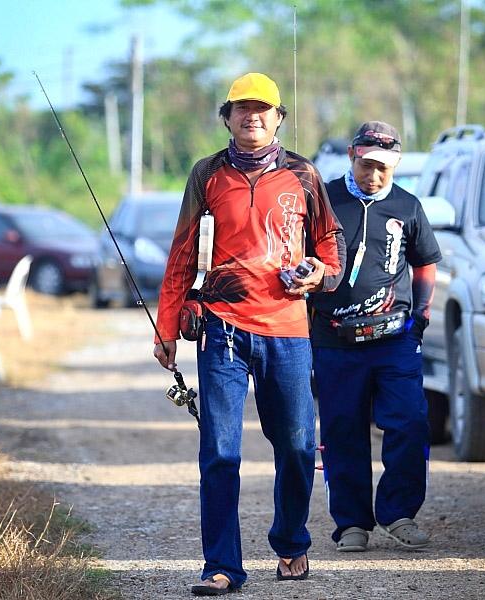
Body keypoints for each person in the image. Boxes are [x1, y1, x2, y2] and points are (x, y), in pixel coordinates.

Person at [152, 72, 345, 596]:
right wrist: (167, 326)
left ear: (279, 117)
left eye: (263, 109)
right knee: (219, 451)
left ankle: (289, 540)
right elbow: (181, 253)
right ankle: (221, 566)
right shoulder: (207, 174)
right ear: (227, 116)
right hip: (223, 330)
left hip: (287, 330)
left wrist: (318, 274)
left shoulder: (304, 175)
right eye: (241, 108)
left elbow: (330, 245)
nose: (251, 116)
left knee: (300, 446)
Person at [310, 121, 441, 553]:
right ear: (352, 155)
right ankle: (352, 523)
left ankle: (398, 513)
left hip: (393, 339)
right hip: (334, 340)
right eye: (368, 164)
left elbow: (424, 263)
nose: (375, 175)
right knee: (342, 429)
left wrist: (420, 313)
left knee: (409, 421)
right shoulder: (323, 199)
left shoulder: (407, 205)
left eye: (385, 167)